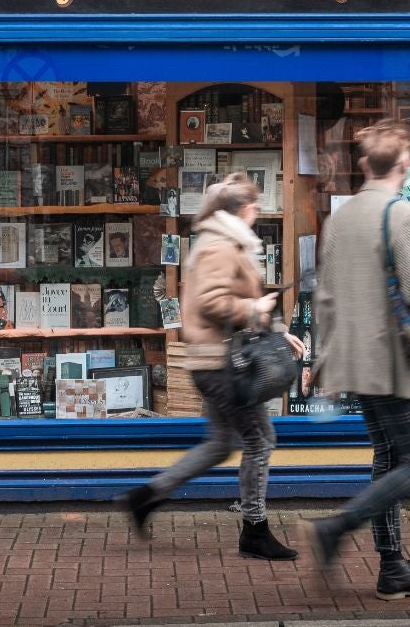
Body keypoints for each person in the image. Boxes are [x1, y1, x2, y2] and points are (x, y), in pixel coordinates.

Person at [301, 120, 410, 600]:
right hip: (392, 360)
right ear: (405, 164)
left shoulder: (340, 218)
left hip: (356, 363)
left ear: (365, 163)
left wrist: (325, 361)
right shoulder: (404, 213)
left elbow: (323, 298)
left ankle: (392, 568)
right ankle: (336, 527)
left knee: (388, 458)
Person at [115, 172, 305, 560]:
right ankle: (255, 529)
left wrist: (276, 330)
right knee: (259, 440)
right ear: (241, 209)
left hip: (217, 361)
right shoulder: (219, 245)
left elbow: (239, 300)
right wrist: (254, 308)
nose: (259, 212)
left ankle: (146, 497)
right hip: (223, 365)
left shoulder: (225, 241)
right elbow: (212, 303)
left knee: (221, 443)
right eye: (255, 206)